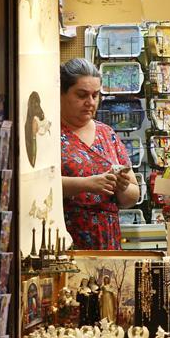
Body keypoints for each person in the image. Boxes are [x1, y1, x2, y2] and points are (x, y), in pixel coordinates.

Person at [60, 58, 140, 250]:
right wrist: (86, 184)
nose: (90, 102)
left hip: (107, 241)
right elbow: (40, 185)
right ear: (61, 94)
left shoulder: (107, 133)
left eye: (95, 95)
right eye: (81, 95)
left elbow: (133, 195)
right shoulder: (49, 133)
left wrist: (121, 187)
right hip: (68, 239)